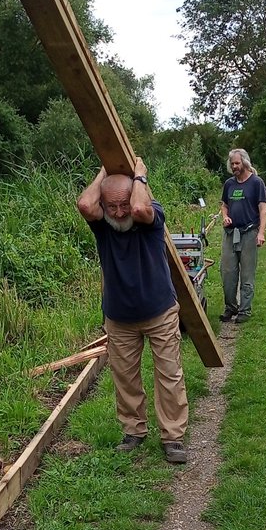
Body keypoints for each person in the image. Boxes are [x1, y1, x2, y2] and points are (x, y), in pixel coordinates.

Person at [76, 158, 189, 465]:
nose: (119, 212)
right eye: (111, 206)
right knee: (125, 378)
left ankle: (173, 437)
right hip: (119, 317)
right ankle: (133, 432)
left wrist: (138, 176)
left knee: (169, 375)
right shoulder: (103, 226)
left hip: (159, 311)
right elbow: (85, 204)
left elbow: (139, 208)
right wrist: (105, 169)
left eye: (123, 204)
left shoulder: (151, 217)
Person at [219, 148, 266, 323]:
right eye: (232, 163)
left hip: (249, 233)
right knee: (227, 273)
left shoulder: (256, 183)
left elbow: (263, 209)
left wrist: (261, 232)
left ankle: (244, 310)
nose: (234, 166)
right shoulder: (229, 184)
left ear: (245, 163)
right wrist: (225, 216)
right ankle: (230, 307)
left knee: (247, 274)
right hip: (231, 234)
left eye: (237, 163)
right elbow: (224, 205)